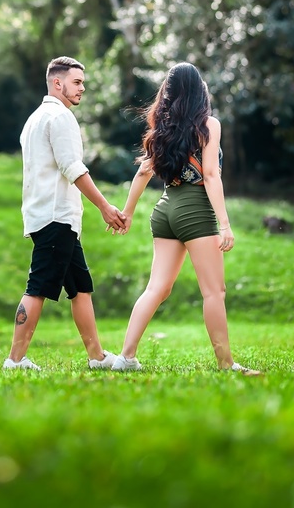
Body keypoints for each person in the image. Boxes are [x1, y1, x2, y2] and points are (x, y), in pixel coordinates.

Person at [112, 62, 261, 375]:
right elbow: (209, 174)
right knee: (214, 292)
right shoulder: (208, 125)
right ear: (199, 90)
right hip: (195, 209)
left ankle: (125, 358)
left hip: (165, 209)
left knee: (157, 288)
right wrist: (224, 223)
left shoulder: (162, 126)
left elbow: (143, 170)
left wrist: (127, 211)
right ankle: (226, 364)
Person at [3, 56, 127, 372]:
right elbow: (72, 168)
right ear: (57, 83)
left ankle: (96, 357)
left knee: (80, 287)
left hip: (52, 216)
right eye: (77, 82)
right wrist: (105, 206)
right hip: (55, 217)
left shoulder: (35, 118)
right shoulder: (60, 117)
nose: (82, 88)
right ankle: (14, 360)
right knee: (38, 287)